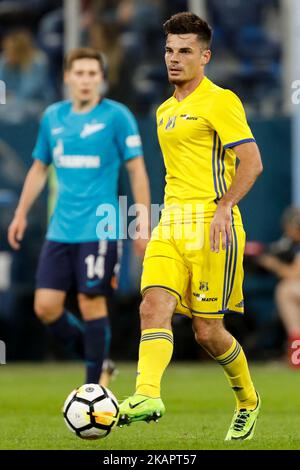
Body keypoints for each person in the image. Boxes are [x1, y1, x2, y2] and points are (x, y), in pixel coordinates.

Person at [118, 12, 263, 441]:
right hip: (173, 223)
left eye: (184, 51)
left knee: (207, 332)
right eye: (168, 50)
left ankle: (247, 400)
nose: (174, 59)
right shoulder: (164, 110)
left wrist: (224, 208)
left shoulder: (221, 100)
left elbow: (252, 163)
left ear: (205, 56)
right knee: (151, 305)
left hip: (214, 226)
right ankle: (146, 394)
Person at [8, 47, 150, 386]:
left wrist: (142, 222)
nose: (85, 80)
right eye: (80, 73)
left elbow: (137, 170)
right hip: (61, 228)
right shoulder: (53, 118)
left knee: (90, 302)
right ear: (67, 78)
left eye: (92, 74)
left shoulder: (117, 117)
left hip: (101, 226)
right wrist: (21, 213)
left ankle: (93, 389)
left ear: (101, 79)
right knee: (46, 307)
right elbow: (39, 168)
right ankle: (100, 361)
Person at [258, 207, 300, 368]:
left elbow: (293, 274)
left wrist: (273, 264)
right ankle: (296, 351)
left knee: (286, 290)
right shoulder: (291, 244)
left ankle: (297, 348)